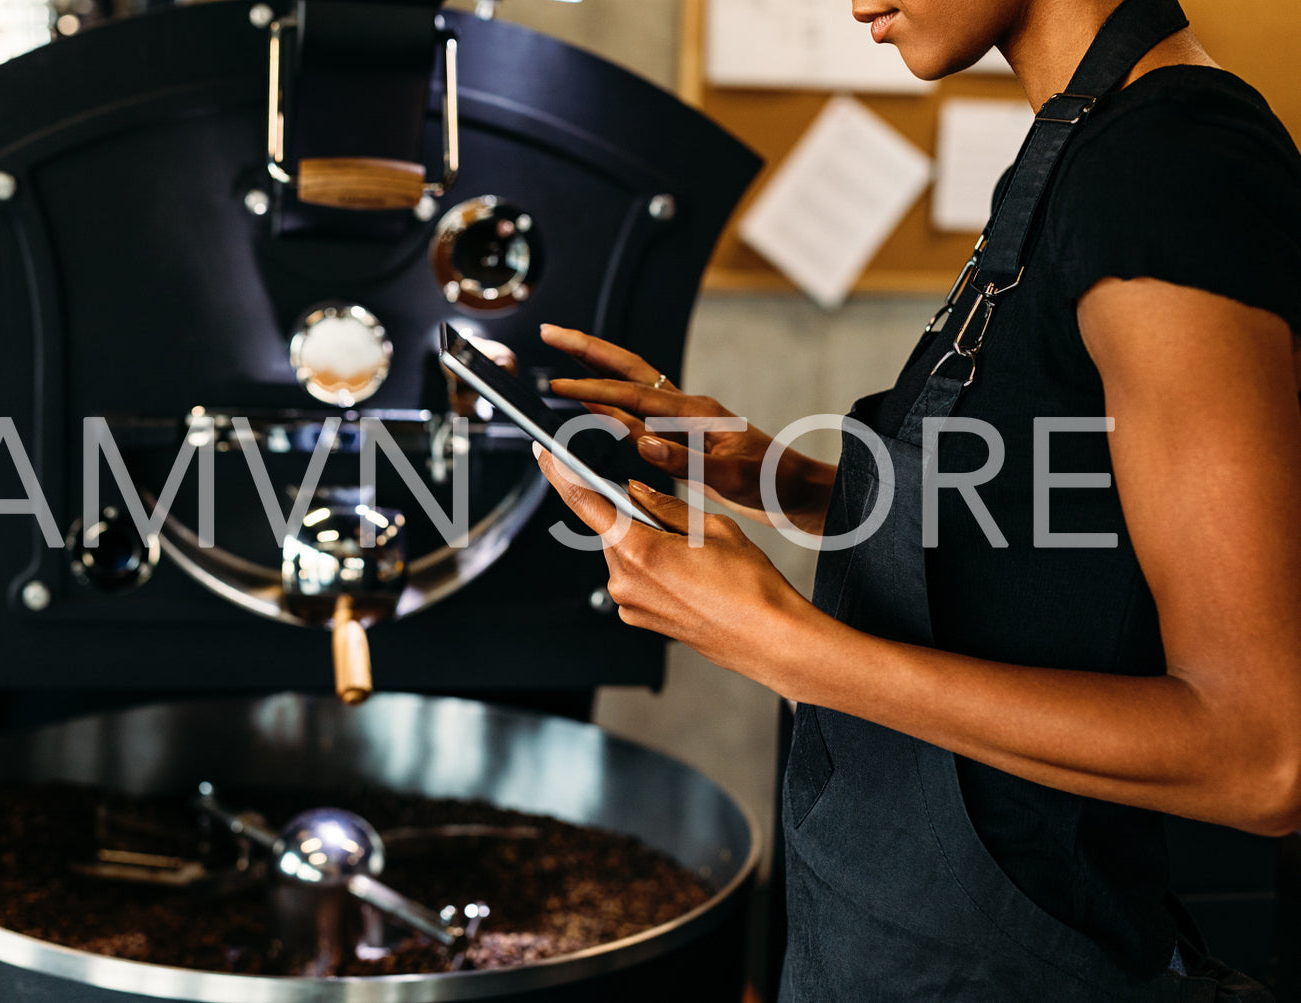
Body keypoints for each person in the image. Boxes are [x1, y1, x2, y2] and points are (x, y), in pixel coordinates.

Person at [532, 0, 1301, 998]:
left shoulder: (1171, 173)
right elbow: (1059, 521)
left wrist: (783, 644)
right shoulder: (1078, 155)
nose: (854, 0)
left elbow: (1261, 752)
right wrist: (772, 474)